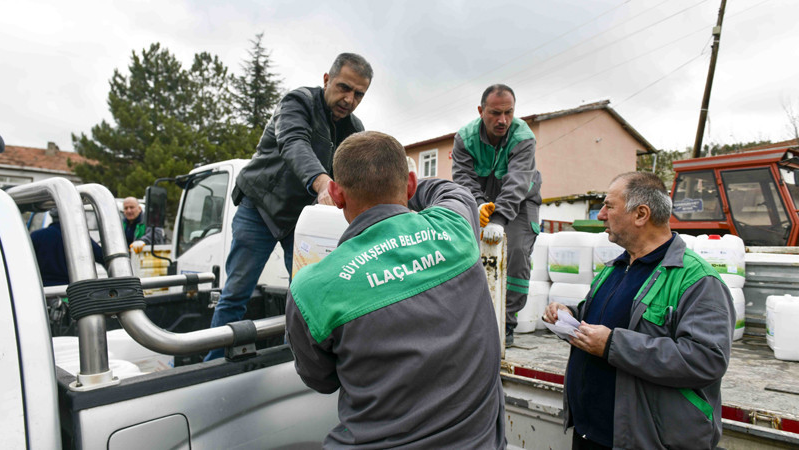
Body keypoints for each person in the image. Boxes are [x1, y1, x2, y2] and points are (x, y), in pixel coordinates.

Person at [286, 131, 506, 449]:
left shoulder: (311, 288)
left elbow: (321, 379)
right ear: (411, 186)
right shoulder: (455, 230)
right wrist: (403, 184)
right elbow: (453, 190)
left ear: (336, 195)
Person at [543, 172, 734, 449]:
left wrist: (613, 345)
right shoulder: (616, 267)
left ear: (641, 214)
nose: (601, 215)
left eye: (609, 206)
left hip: (645, 441)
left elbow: (706, 359)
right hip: (589, 434)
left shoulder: (698, 280)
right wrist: (568, 315)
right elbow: (603, 320)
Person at [205, 53, 373, 361]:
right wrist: (322, 183)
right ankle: (211, 365)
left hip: (300, 221)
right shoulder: (298, 102)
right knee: (236, 292)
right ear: (327, 80)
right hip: (259, 208)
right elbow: (294, 143)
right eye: (344, 88)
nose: (349, 100)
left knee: (305, 294)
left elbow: (358, 172)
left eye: (359, 94)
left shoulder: (355, 129)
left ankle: (296, 362)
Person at [452, 84, 542, 347]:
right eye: (495, 113)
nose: (503, 120)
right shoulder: (465, 139)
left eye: (508, 112)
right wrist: (479, 206)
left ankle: (507, 322)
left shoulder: (523, 137)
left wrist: (499, 219)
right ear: (481, 111)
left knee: (516, 250)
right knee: (468, 249)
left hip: (521, 200)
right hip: (481, 198)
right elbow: (463, 178)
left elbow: (517, 182)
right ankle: (472, 318)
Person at [31, 208, 104, 287]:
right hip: (73, 289)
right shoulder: (80, 237)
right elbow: (102, 257)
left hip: (44, 289)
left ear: (52, 216)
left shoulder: (37, 236)